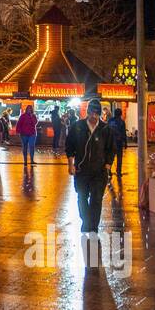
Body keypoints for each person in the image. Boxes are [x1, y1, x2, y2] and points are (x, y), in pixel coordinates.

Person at [65, 98, 115, 233]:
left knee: (96, 198)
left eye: (96, 113)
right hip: (82, 170)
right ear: (87, 112)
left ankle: (93, 226)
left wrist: (108, 165)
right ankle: (86, 221)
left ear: (100, 114)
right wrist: (71, 164)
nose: (93, 116)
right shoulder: (78, 126)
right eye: (91, 113)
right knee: (82, 196)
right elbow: (69, 146)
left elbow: (111, 148)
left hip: (99, 172)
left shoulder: (105, 129)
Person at [107, 107, 127, 178]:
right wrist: (125, 143)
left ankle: (108, 171)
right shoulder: (121, 122)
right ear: (120, 114)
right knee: (119, 158)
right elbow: (123, 133)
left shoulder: (110, 121)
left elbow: (107, 131)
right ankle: (118, 172)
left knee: (110, 157)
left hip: (110, 142)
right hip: (118, 142)